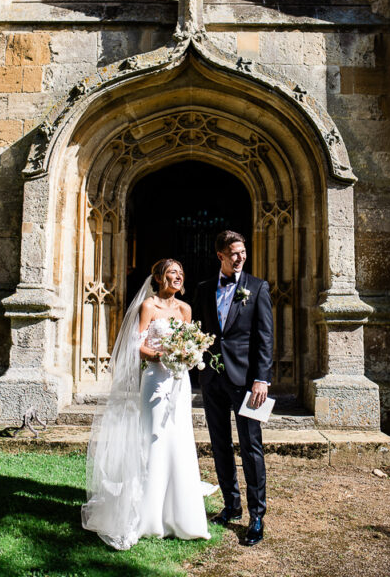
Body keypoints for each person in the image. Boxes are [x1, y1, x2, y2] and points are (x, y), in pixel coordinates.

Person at [82, 258, 214, 550]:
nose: (177, 277)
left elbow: (189, 341)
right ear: (159, 277)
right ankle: (147, 517)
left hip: (179, 383)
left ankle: (182, 517)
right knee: (153, 439)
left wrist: (189, 355)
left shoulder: (185, 309)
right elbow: (135, 345)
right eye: (172, 273)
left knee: (179, 441)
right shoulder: (148, 307)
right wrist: (159, 357)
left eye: (180, 273)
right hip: (155, 381)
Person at [193, 230, 273, 546]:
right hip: (212, 380)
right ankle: (232, 505)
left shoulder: (257, 287)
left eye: (243, 252)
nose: (240, 258)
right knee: (220, 444)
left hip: (248, 383)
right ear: (220, 256)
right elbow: (198, 332)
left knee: (252, 447)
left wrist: (262, 379)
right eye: (234, 253)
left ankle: (256, 516)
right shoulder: (202, 289)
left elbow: (264, 338)